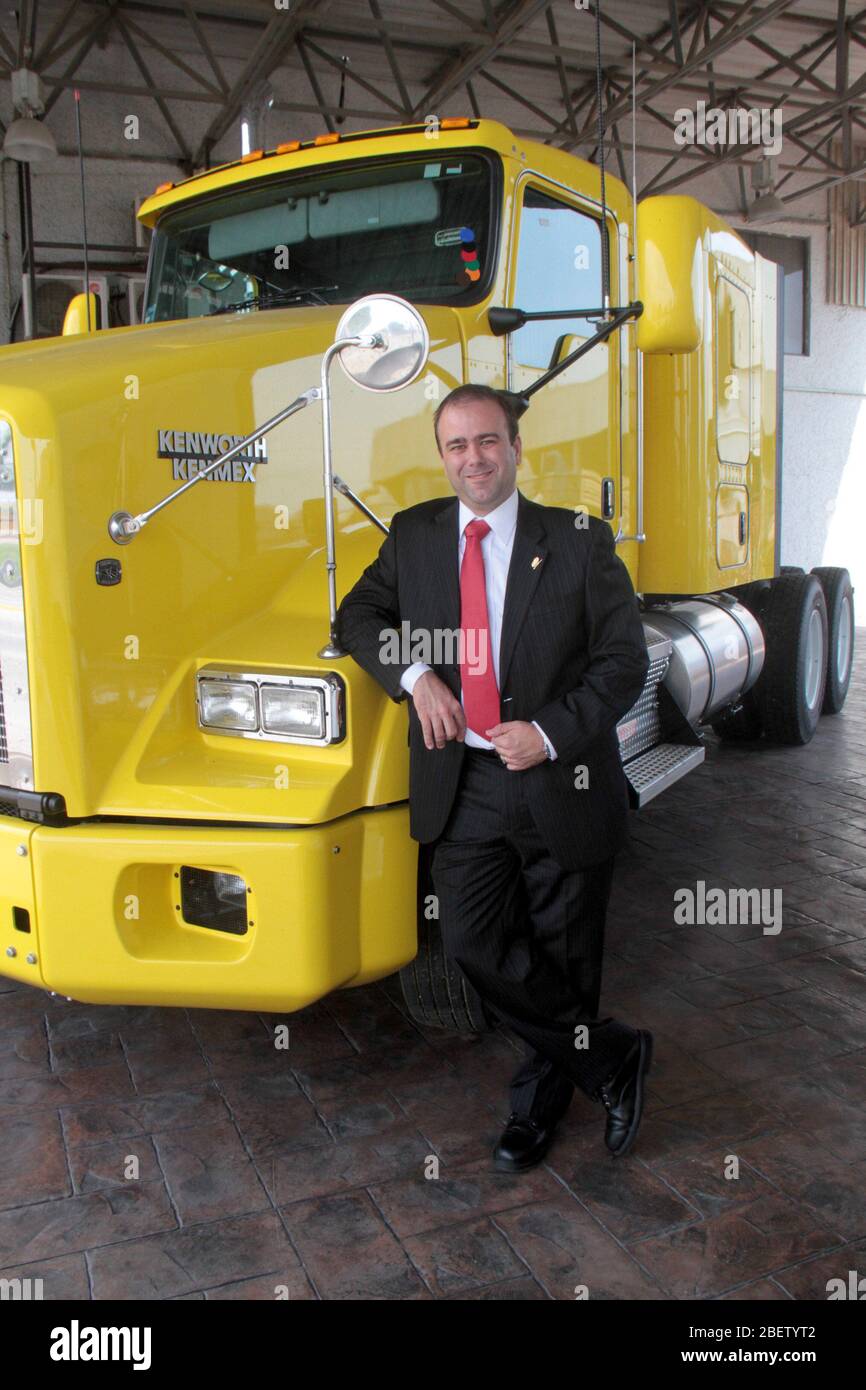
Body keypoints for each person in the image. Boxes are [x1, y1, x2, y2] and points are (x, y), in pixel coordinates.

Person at [337, 383, 653, 1171]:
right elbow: (356, 618)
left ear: (515, 447)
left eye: (487, 441)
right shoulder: (414, 536)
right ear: (441, 457)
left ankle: (538, 1107)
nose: (473, 458)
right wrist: (417, 678)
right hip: (465, 781)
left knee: (565, 954)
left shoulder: (579, 540)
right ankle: (611, 1056)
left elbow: (625, 661)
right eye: (456, 445)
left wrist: (549, 733)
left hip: (563, 780)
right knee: (474, 943)